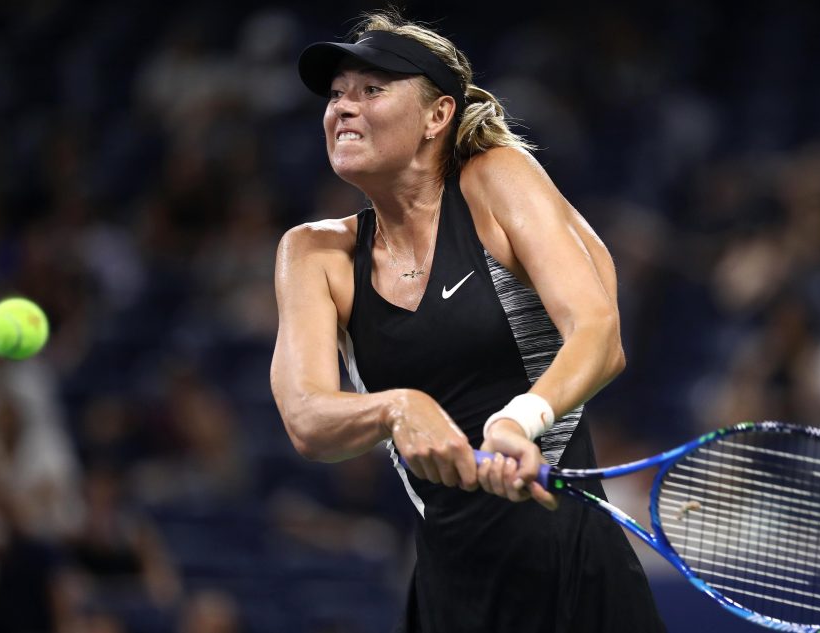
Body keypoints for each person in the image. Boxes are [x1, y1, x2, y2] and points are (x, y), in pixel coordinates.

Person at [271, 10, 666, 633]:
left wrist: (518, 420)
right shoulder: (313, 253)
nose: (343, 108)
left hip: (575, 578)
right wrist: (395, 408)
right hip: (447, 591)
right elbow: (307, 418)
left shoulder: (496, 178)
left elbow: (600, 333)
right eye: (337, 94)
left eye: (371, 90)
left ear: (438, 116)